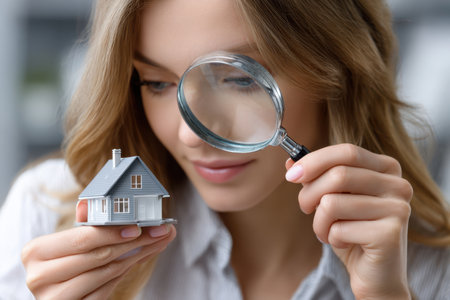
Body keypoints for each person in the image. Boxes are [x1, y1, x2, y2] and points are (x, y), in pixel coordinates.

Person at [1, 0, 449, 299]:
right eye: (156, 83)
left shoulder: (428, 267)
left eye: (240, 79)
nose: (191, 135)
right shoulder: (47, 217)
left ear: (341, 67)